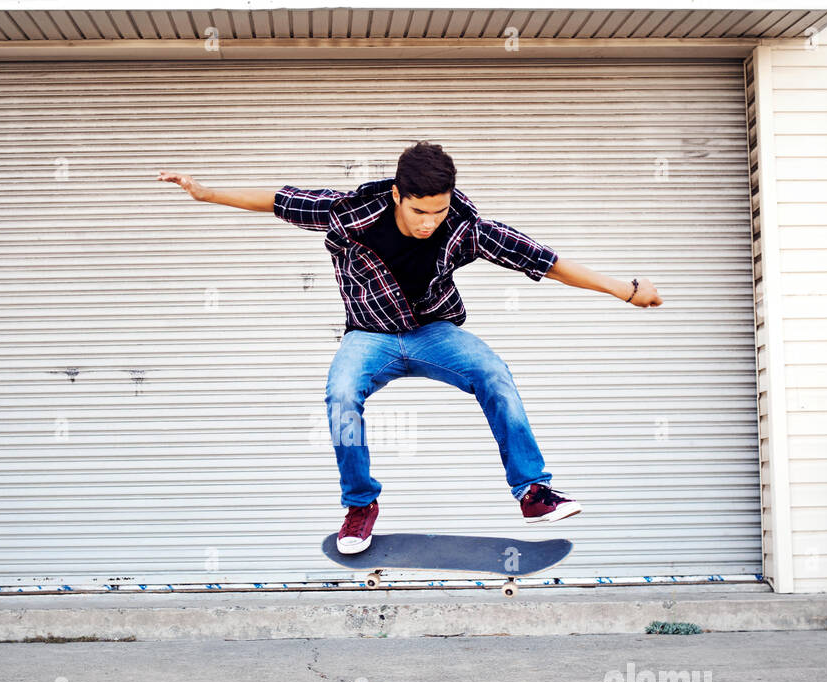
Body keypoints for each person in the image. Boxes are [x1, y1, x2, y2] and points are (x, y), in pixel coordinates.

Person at [158, 141, 662, 554]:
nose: (429, 223)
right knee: (339, 395)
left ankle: (533, 490)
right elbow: (277, 200)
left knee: (494, 374)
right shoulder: (348, 211)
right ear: (399, 195)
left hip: (434, 333)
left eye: (438, 212)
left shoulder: (466, 228)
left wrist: (624, 288)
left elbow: (544, 260)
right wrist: (206, 195)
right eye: (420, 211)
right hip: (369, 336)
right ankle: (360, 506)